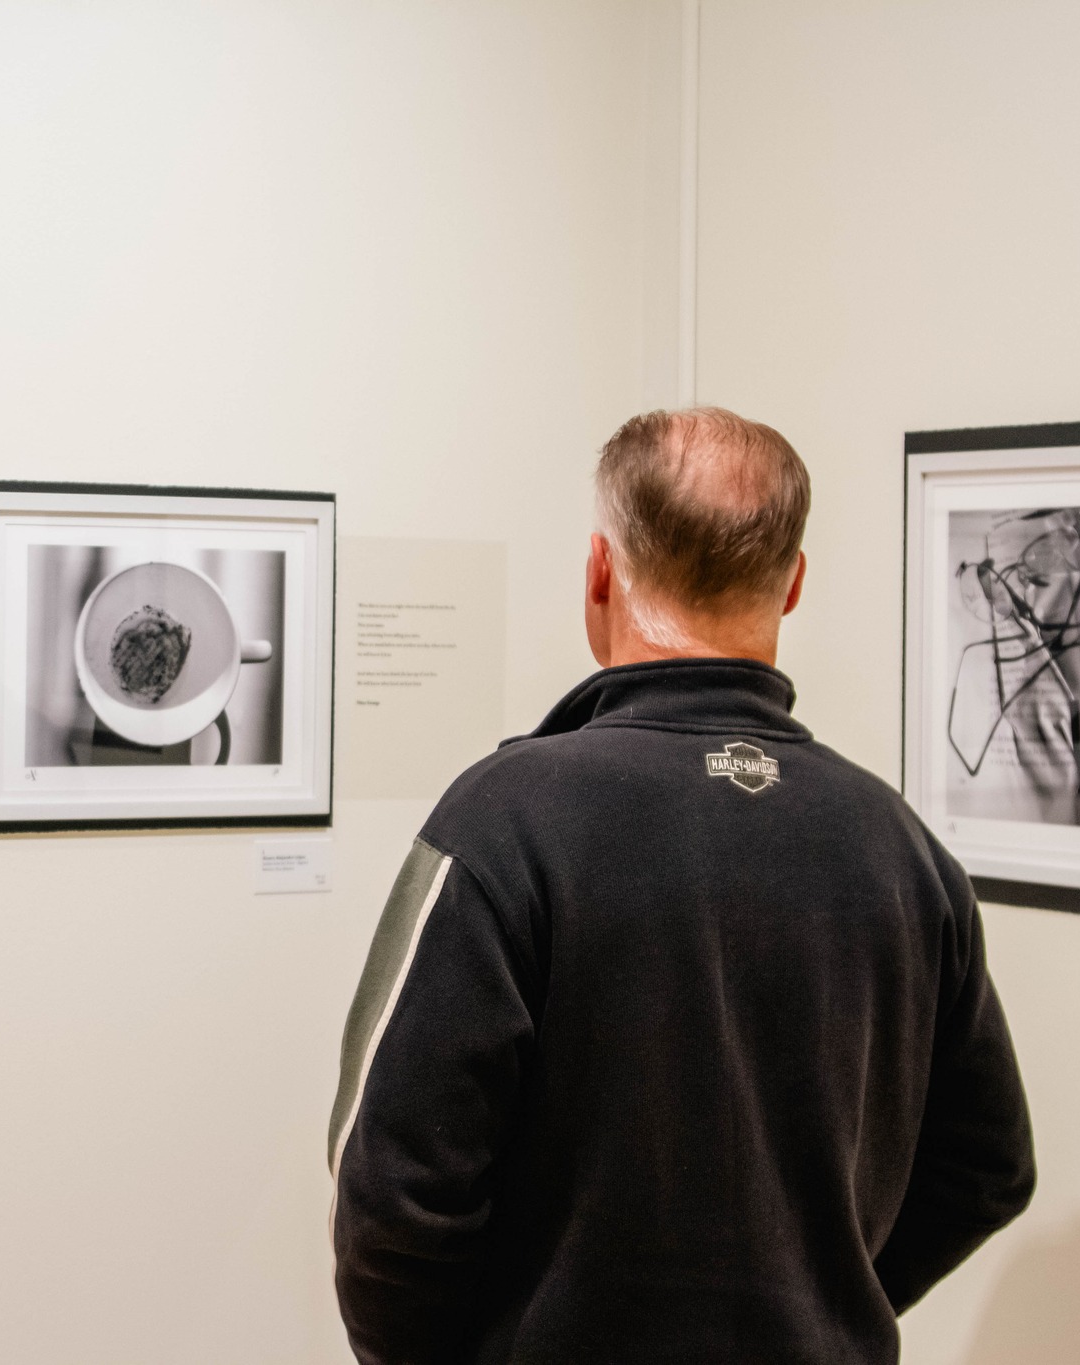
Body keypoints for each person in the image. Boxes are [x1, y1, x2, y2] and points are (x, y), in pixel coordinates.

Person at [328, 408, 1035, 1364]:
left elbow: (391, 1196)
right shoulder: (902, 845)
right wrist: (824, 1301)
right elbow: (989, 1165)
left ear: (599, 572)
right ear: (793, 583)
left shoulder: (505, 819)